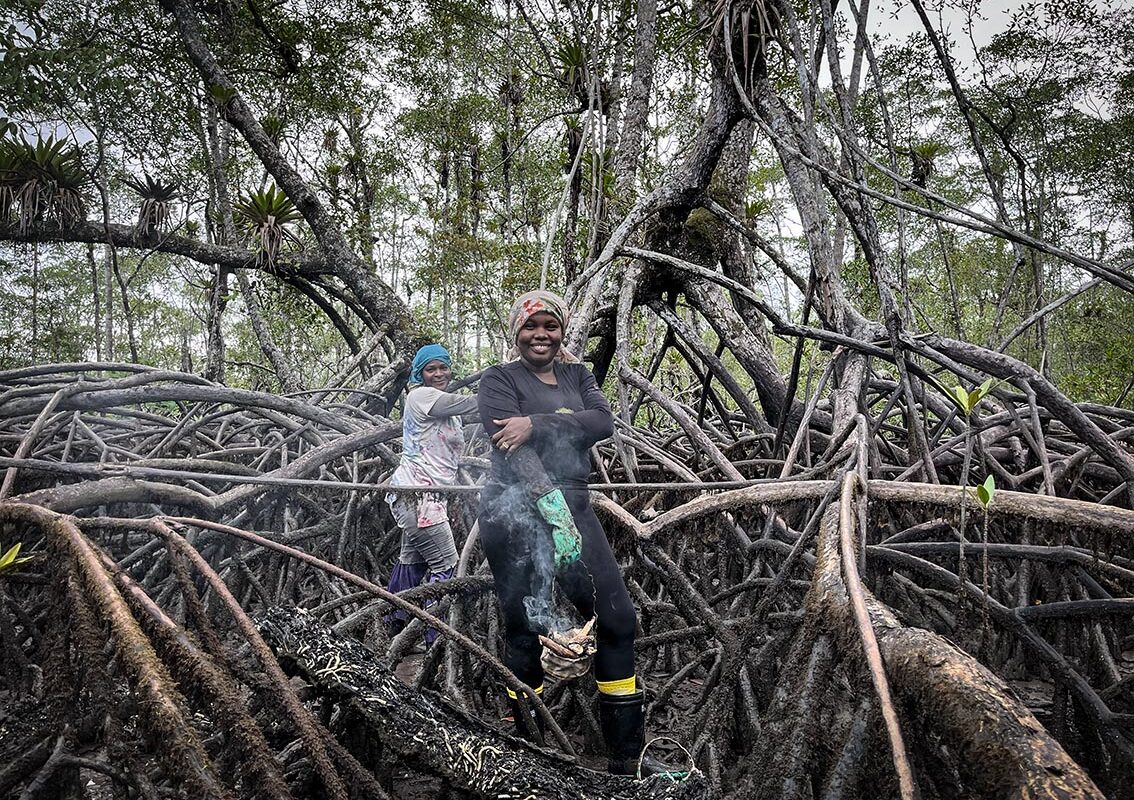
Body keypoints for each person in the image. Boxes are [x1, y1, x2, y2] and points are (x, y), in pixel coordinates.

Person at [477, 290, 676, 777]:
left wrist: (535, 423)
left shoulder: (578, 375)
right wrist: (550, 502)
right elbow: (512, 449)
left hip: (576, 505)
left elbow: (601, 421)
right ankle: (529, 752)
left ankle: (627, 759)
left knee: (617, 620)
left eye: (550, 325)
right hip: (514, 512)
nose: (540, 334)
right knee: (524, 630)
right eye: (530, 326)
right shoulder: (499, 379)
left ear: (563, 330)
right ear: (516, 332)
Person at [385, 344, 478, 644]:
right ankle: (435, 640)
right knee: (447, 565)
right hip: (418, 498)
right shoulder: (420, 396)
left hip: (426, 498)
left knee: (410, 562)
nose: (438, 374)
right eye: (430, 369)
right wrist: (511, 387)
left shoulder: (450, 413)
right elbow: (470, 403)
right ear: (420, 374)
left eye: (443, 367)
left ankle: (394, 627)